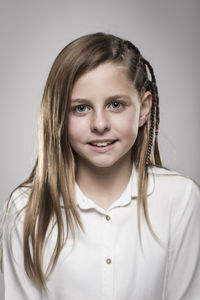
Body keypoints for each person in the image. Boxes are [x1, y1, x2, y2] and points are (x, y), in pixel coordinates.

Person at [0, 32, 200, 300]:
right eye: (81, 108)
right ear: (59, 114)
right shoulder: (26, 208)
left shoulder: (180, 198)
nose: (100, 124)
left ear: (143, 108)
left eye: (116, 105)